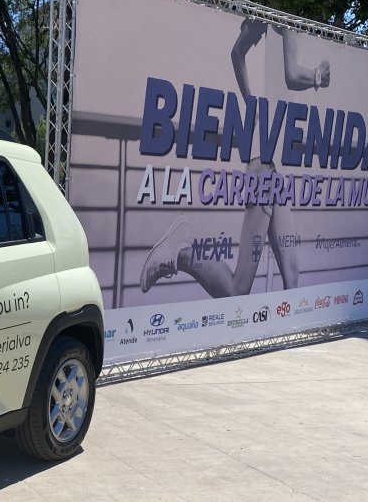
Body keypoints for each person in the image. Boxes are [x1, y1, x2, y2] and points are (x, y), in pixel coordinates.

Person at [140, 19, 330, 298]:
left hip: (271, 161)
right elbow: (292, 75)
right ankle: (181, 254)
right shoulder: (286, 23)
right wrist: (317, 75)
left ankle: (289, 323)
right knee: (237, 289)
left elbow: (236, 53)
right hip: (265, 163)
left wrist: (252, 103)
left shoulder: (263, 19)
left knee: (291, 273)